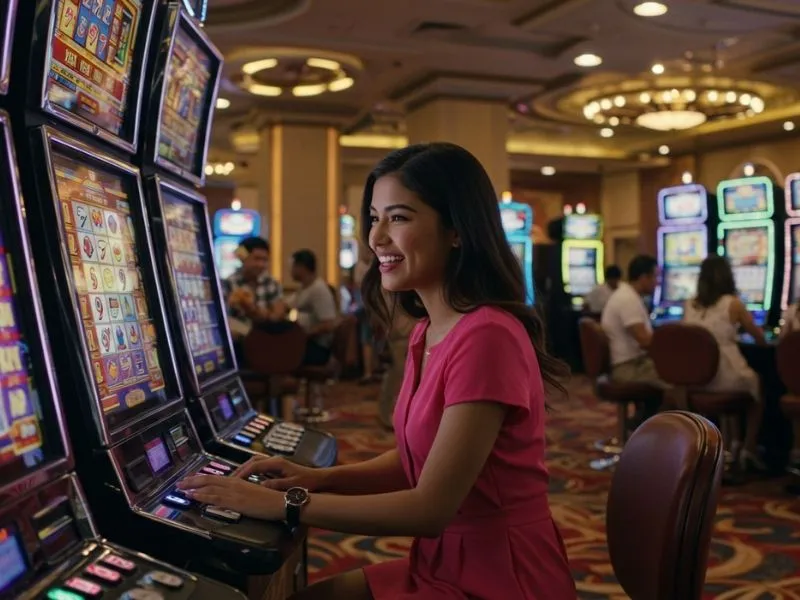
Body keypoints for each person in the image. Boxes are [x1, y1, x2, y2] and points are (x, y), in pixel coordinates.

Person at [178, 142, 576, 599]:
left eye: (399, 218)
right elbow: (419, 462)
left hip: (500, 577)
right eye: (374, 217)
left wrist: (286, 505)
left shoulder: (488, 335)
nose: (376, 237)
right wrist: (318, 479)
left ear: (457, 231)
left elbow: (430, 507)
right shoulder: (428, 332)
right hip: (441, 561)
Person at [683, 256, 767, 470]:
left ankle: (728, 445)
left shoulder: (689, 304)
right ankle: (748, 447)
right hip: (725, 376)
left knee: (743, 380)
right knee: (757, 386)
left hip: (697, 378)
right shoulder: (733, 303)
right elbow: (759, 338)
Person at [601, 254, 666, 424]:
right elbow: (644, 340)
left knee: (675, 372)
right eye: (655, 277)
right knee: (679, 379)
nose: (657, 282)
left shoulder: (627, 294)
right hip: (628, 368)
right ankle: (684, 436)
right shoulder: (628, 299)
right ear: (644, 278)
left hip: (631, 363)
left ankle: (645, 425)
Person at [222, 236, 286, 337]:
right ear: (242, 258)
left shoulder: (272, 284)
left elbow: (278, 315)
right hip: (238, 345)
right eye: (256, 259)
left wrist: (253, 309)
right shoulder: (228, 283)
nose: (261, 264)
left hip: (267, 342)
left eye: (265, 260)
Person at [287, 249, 339, 366]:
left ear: (301, 267)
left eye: (292, 266)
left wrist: (302, 334)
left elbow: (328, 324)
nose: (290, 270)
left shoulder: (318, 289)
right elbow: (286, 304)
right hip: (305, 344)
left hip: (317, 348)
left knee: (280, 352)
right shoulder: (304, 288)